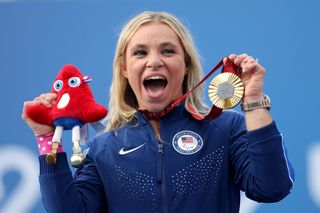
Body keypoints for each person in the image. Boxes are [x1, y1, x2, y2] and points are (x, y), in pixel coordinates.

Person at [22, 11, 294, 213]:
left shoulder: (225, 128)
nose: (154, 61)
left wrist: (254, 99)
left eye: (167, 51)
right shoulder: (103, 148)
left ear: (185, 65)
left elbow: (273, 187)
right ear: (125, 69)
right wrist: (47, 139)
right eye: (140, 53)